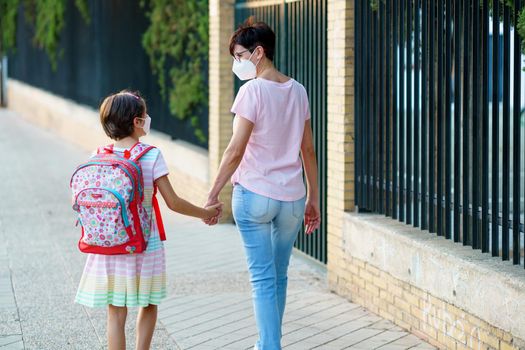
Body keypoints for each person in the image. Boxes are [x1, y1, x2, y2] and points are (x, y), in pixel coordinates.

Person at [204, 18, 321, 350]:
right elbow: (308, 150)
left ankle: (270, 347)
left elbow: (234, 150)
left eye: (239, 55)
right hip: (292, 200)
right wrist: (314, 198)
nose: (235, 63)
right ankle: (267, 343)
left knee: (262, 280)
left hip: (254, 196)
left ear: (259, 52)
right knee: (278, 276)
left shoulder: (252, 91)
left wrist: (213, 193)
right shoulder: (298, 90)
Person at [74, 90, 221, 350]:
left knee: (116, 313)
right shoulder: (151, 155)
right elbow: (173, 202)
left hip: (109, 242)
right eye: (144, 114)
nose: (148, 118)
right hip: (144, 242)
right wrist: (206, 213)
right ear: (137, 122)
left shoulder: (99, 153)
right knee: (149, 303)